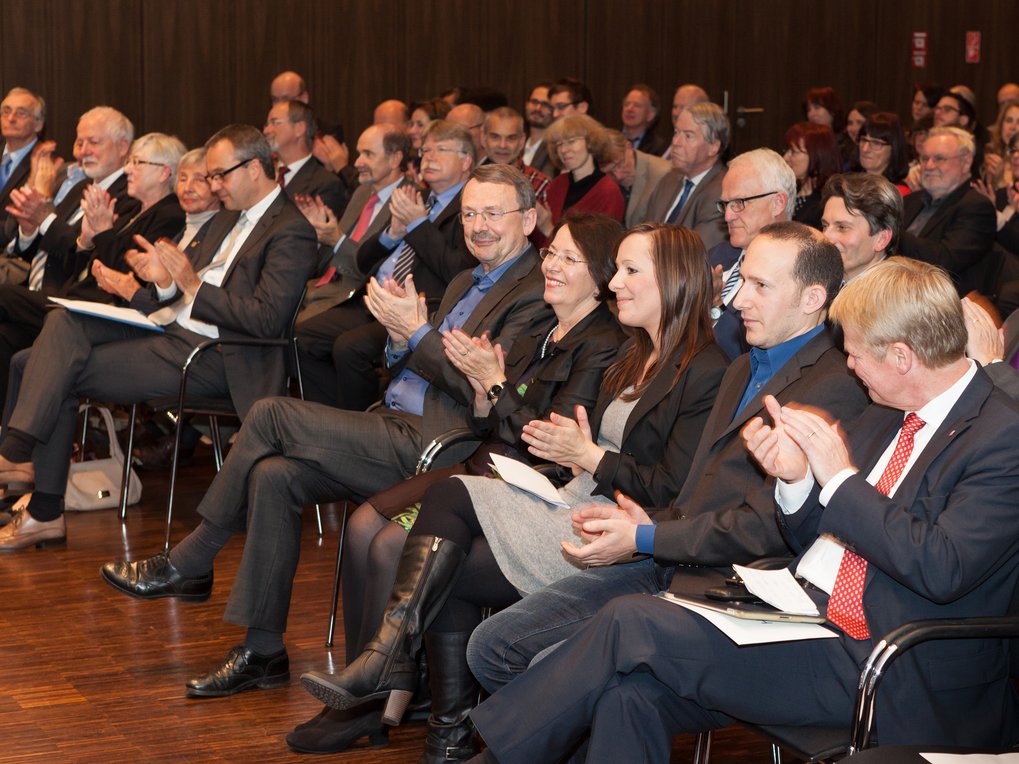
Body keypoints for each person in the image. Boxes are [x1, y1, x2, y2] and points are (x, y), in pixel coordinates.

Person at [465, 258, 1019, 762]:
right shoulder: (886, 409)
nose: (848, 366)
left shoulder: (1001, 435)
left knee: (633, 620)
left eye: (854, 353)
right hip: (807, 620)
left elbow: (942, 568)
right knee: (627, 694)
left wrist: (840, 479)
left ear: (902, 357)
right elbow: (811, 537)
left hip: (894, 661)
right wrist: (797, 482)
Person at [99, 164, 550, 696]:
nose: (478, 225)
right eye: (470, 213)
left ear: (529, 218)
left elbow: (481, 392)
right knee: (272, 474)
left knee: (269, 414)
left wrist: (417, 331)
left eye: (493, 213)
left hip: (442, 444)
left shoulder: (537, 292)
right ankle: (262, 650)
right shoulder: (461, 280)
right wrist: (400, 337)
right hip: (390, 421)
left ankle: (192, 560)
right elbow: (403, 363)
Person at [298, 223, 729, 759]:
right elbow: (545, 429)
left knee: (448, 508)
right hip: (575, 497)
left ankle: (400, 671)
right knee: (445, 526)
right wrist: (507, 402)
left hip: (616, 528)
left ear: (675, 281)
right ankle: (441, 726)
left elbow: (670, 490)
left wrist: (585, 454)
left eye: (630, 271)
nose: (614, 281)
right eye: (616, 268)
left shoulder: (705, 370)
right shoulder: (634, 353)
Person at [465, 221, 868, 704]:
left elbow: (768, 528)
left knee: (553, 669)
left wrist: (644, 536)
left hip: (736, 584)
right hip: (672, 555)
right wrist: (640, 527)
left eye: (761, 287)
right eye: (744, 284)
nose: (739, 302)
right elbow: (694, 493)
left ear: (812, 299)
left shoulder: (834, 385)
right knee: (491, 645)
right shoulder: (744, 366)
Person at [0, 124, 318, 551]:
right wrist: (162, 283)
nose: (213, 185)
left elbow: (266, 319)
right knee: (62, 322)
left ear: (258, 168)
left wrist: (188, 285)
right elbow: (179, 289)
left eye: (220, 175)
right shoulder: (226, 217)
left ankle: (38, 501)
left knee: (47, 366)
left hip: (217, 357)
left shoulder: (291, 231)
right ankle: (20, 462)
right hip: (169, 328)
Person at [709, 148, 797, 360]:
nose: (728, 216)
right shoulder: (718, 255)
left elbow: (750, 357)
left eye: (739, 203)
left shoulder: (793, 272)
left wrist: (715, 306)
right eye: (725, 204)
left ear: (777, 203)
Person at [899, 127, 996, 295]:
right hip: (893, 290)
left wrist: (890, 233)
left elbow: (945, 260)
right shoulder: (910, 201)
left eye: (939, 159)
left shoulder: (977, 207)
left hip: (937, 303)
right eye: (924, 158)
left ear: (966, 162)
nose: (929, 166)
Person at [644, 101, 729, 250]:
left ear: (713, 147)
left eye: (688, 136)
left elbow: (696, 253)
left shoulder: (723, 191)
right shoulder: (669, 179)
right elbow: (643, 232)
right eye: (676, 132)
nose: (675, 142)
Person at [534, 115, 624, 246]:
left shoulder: (609, 192)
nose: (564, 150)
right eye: (559, 145)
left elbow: (597, 251)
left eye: (571, 141)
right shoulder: (557, 184)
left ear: (590, 142)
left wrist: (547, 228)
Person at [263, 99, 348, 217]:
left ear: (299, 128)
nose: (266, 131)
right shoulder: (263, 175)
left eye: (275, 123)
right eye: (267, 125)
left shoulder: (326, 184)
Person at [820, 172, 900, 282]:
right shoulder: (816, 281)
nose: (825, 237)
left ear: (881, 239)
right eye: (825, 225)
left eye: (842, 227)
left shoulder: (896, 297)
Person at [0, 88, 45, 247]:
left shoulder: (46, 165)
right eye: (6, 112)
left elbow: (14, 226)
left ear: (38, 124)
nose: (11, 118)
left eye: (21, 113)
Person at [598, 129, 670, 227]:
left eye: (620, 164)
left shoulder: (663, 174)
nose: (618, 176)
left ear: (629, 147)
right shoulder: (602, 182)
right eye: (610, 172)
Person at [782, 122, 840, 229]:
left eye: (793, 152)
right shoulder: (789, 189)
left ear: (816, 155)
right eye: (786, 150)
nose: (785, 158)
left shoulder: (827, 203)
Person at [857, 112, 911, 193]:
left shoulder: (898, 193)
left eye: (876, 143)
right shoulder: (851, 183)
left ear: (894, 148)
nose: (865, 149)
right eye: (864, 140)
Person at [981, 98, 1019, 190]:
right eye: (1009, 120)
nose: (1012, 127)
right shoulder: (990, 158)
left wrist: (1001, 180)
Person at [620, 84, 667, 156]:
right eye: (627, 104)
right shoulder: (609, 140)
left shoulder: (659, 147)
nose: (629, 109)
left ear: (650, 115)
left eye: (637, 105)